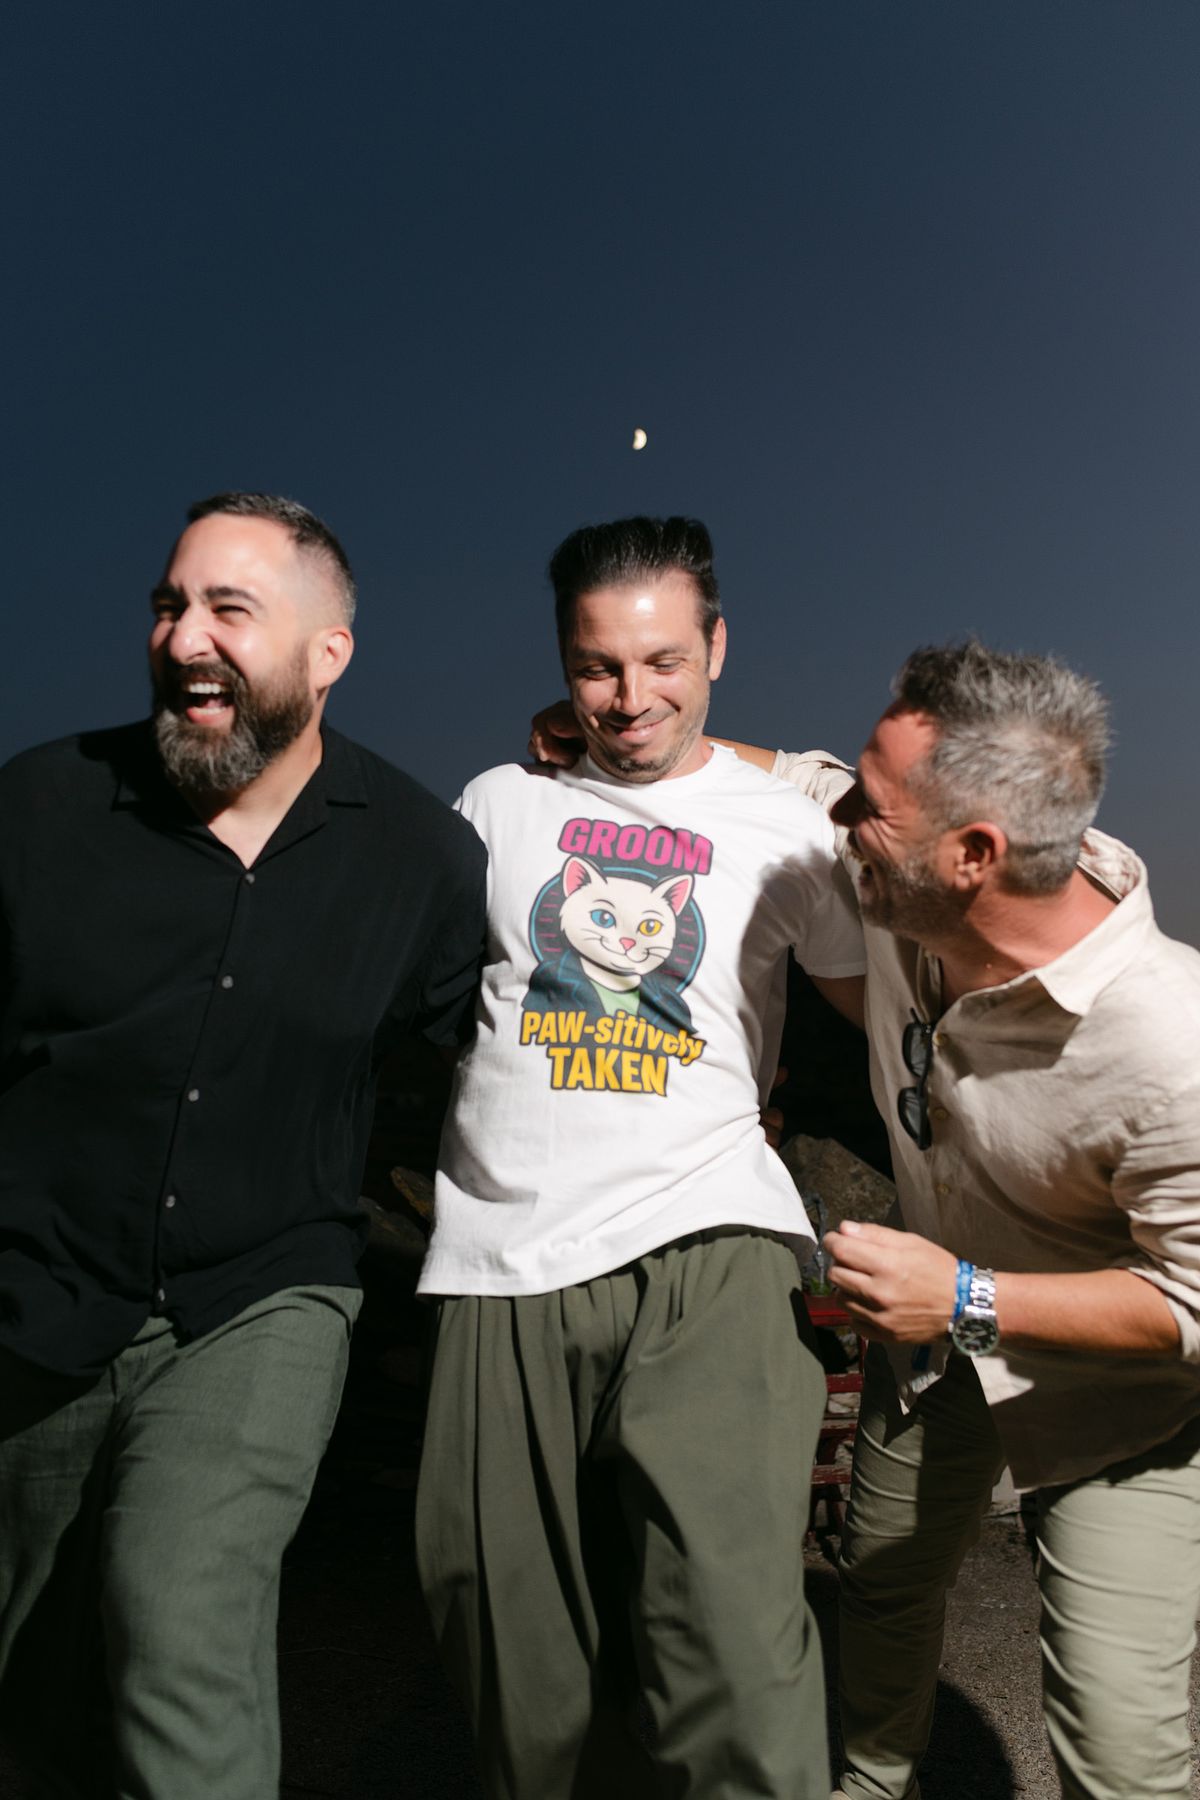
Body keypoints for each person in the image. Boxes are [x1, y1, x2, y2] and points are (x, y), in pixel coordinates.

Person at [0, 492, 487, 1799]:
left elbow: (494, 1068)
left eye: (229, 608)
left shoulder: (423, 860)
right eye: (170, 606)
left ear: (328, 654)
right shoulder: (40, 806)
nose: (184, 638)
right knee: (34, 1683)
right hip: (33, 1297)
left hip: (263, 1296)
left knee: (178, 1618)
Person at [416, 515, 866, 1800]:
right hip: (499, 1258)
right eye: (598, 666)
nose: (629, 698)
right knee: (506, 1651)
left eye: (664, 661)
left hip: (713, 1238)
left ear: (717, 647)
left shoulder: (787, 826)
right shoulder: (498, 804)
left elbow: (879, 1020)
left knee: (732, 1648)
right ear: (563, 663)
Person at [717, 644, 1200, 1800]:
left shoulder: (1170, 1043)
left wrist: (966, 1300)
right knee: (883, 1585)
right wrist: (623, 734)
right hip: (934, 1357)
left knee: (1118, 1744)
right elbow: (797, 776)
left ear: (973, 853)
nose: (840, 822)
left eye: (870, 810)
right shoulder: (908, 871)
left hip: (1115, 1406)